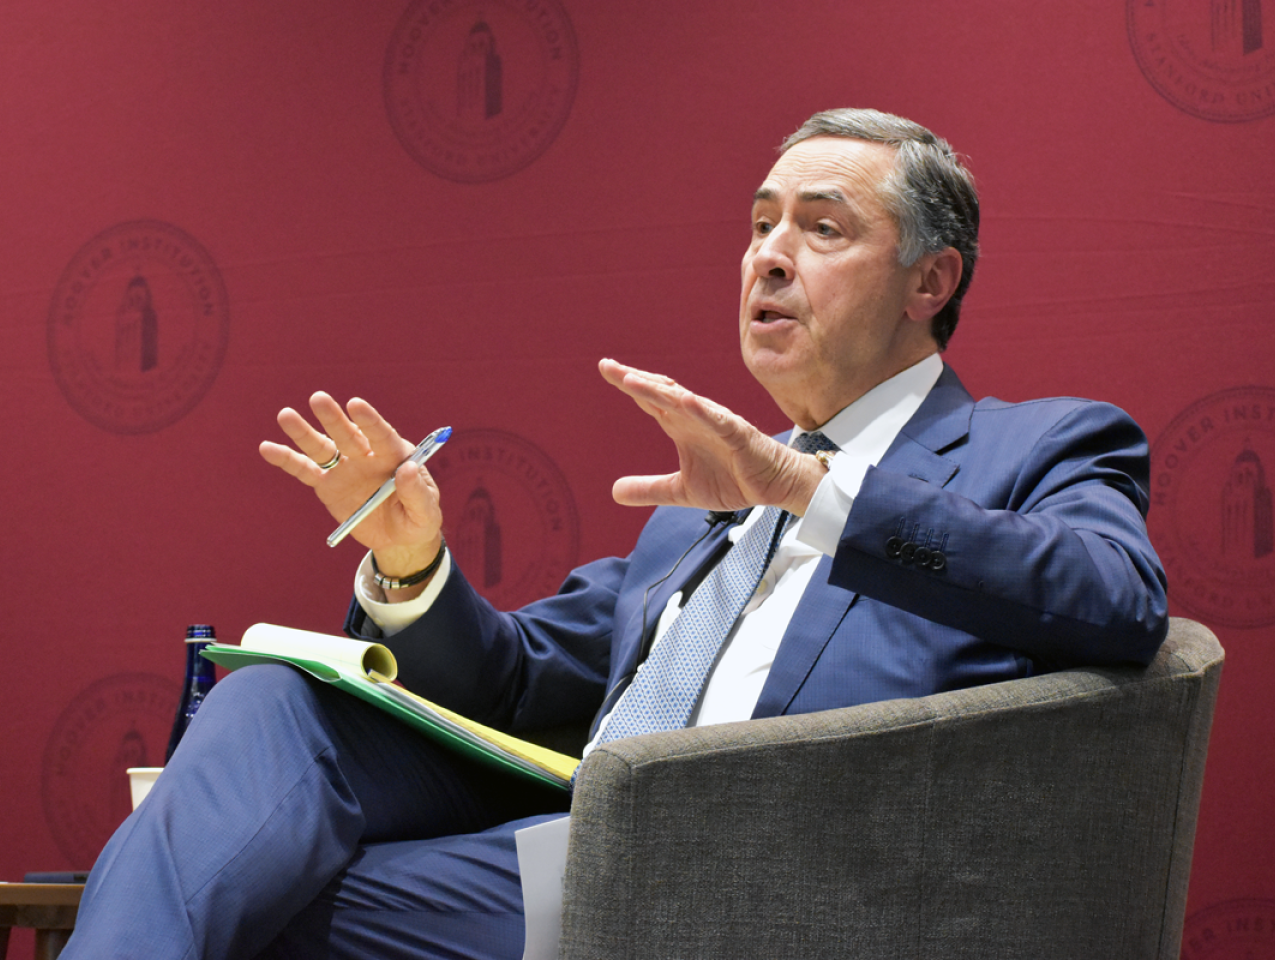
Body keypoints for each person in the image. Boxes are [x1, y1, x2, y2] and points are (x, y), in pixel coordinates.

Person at [62, 108, 1168, 960]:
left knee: (230, 892)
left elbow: (1116, 598)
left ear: (933, 280)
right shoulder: (706, 503)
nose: (769, 256)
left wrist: (808, 491)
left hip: (747, 872)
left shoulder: (1037, 447)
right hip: (564, 840)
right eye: (759, 224)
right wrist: (413, 564)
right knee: (268, 705)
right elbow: (519, 683)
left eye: (821, 229)